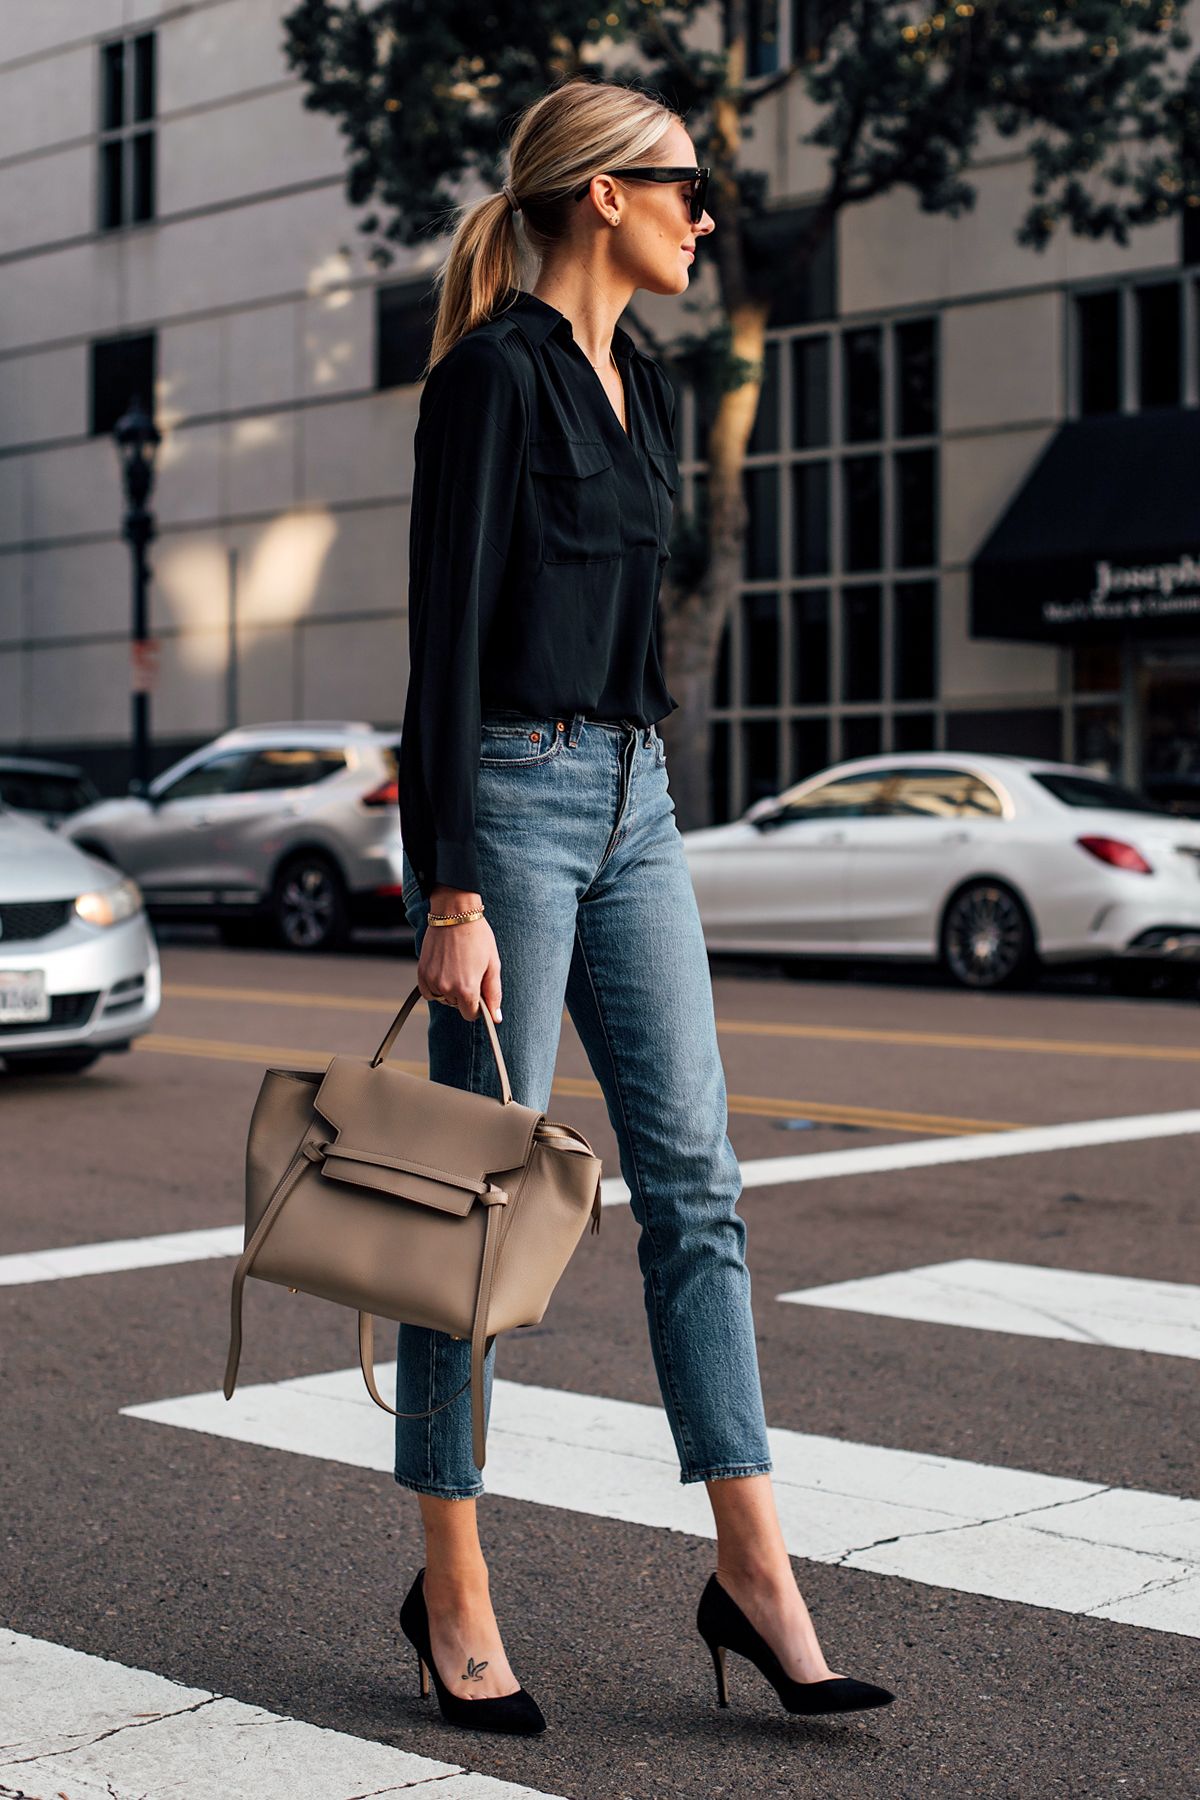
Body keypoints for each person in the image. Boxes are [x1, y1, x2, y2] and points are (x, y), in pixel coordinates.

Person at [394, 74, 895, 1735]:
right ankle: (452, 1594)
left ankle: (758, 1577)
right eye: (686, 183)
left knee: (697, 1184)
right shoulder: (488, 381)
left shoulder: (656, 384)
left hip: (638, 801)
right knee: (484, 1209)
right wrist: (450, 885)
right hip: (515, 809)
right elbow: (443, 647)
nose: (707, 210)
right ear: (604, 195)